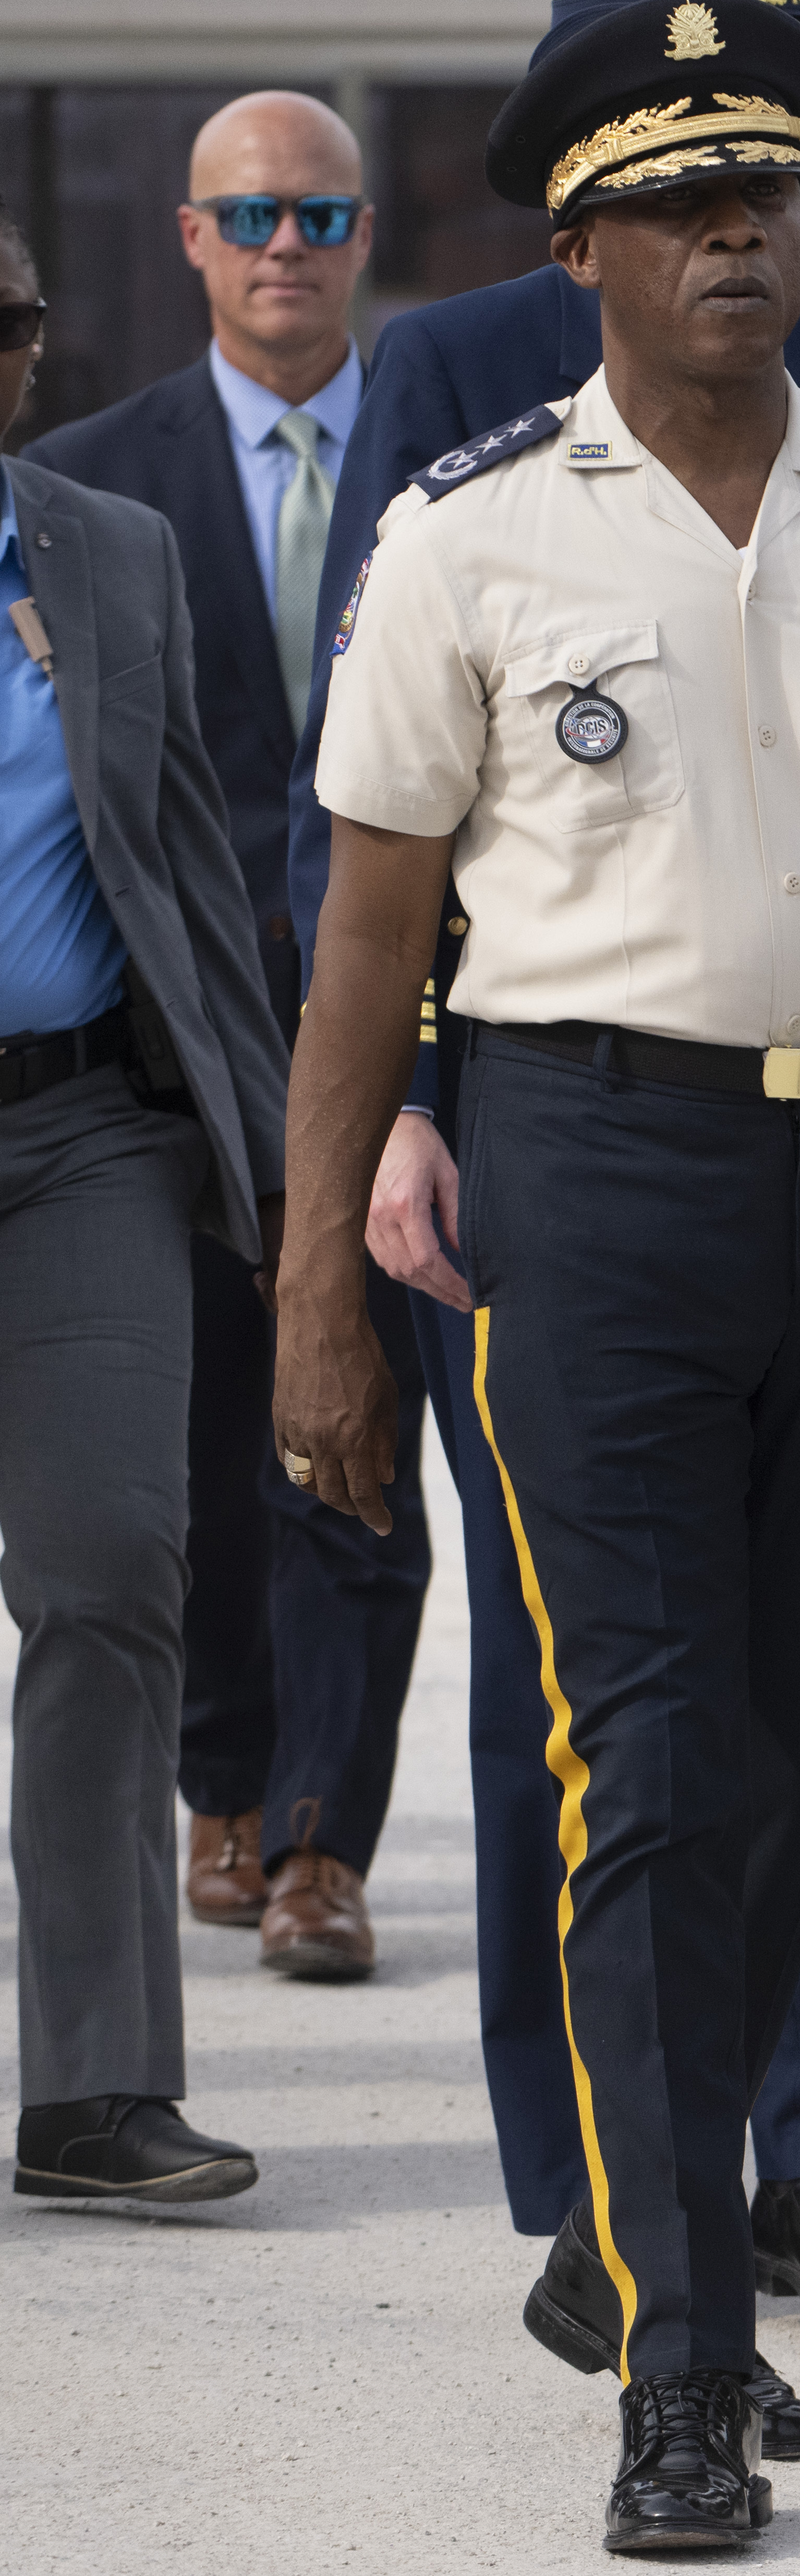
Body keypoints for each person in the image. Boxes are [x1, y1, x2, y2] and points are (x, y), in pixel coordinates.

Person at [277, 0, 800, 2554]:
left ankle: (655, 2214)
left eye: (765, 185)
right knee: (644, 1754)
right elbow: (363, 934)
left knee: (794, 1733)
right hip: (590, 1175)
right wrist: (322, 1267)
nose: (736, 227)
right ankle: (683, 2341)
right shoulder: (476, 532)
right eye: (678, 196)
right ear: (586, 247)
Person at [28, 92, 425, 1983]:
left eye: (320, 212)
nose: (287, 243)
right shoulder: (93, 487)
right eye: (250, 213)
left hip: (417, 1025)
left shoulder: (460, 462)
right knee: (193, 1441)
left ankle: (326, 1839)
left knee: (360, 1427)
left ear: (363, 235)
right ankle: (229, 1785)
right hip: (174, 1041)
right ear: (191, 239)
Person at [0, 199, 287, 2210]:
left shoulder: (108, 552)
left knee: (113, 1571)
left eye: (7, 322)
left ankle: (98, 2088)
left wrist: (274, 1151)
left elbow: (188, 858)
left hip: (80, 1134)